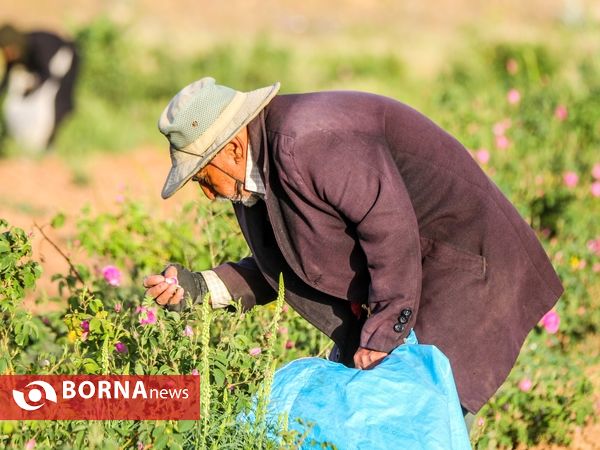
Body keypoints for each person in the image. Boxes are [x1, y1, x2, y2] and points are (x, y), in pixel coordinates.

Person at [143, 77, 563, 415]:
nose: (207, 194)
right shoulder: (255, 174)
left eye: (201, 177)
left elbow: (390, 232)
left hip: (463, 266)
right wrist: (197, 287)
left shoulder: (308, 140)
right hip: (411, 277)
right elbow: (284, 263)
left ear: (231, 147)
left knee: (417, 418)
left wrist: (381, 336)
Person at [0, 24, 79, 151]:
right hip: (47, 72)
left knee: (58, 103)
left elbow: (47, 74)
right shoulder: (16, 54)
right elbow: (6, 80)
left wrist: (32, 87)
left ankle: (53, 144)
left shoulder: (36, 45)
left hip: (64, 61)